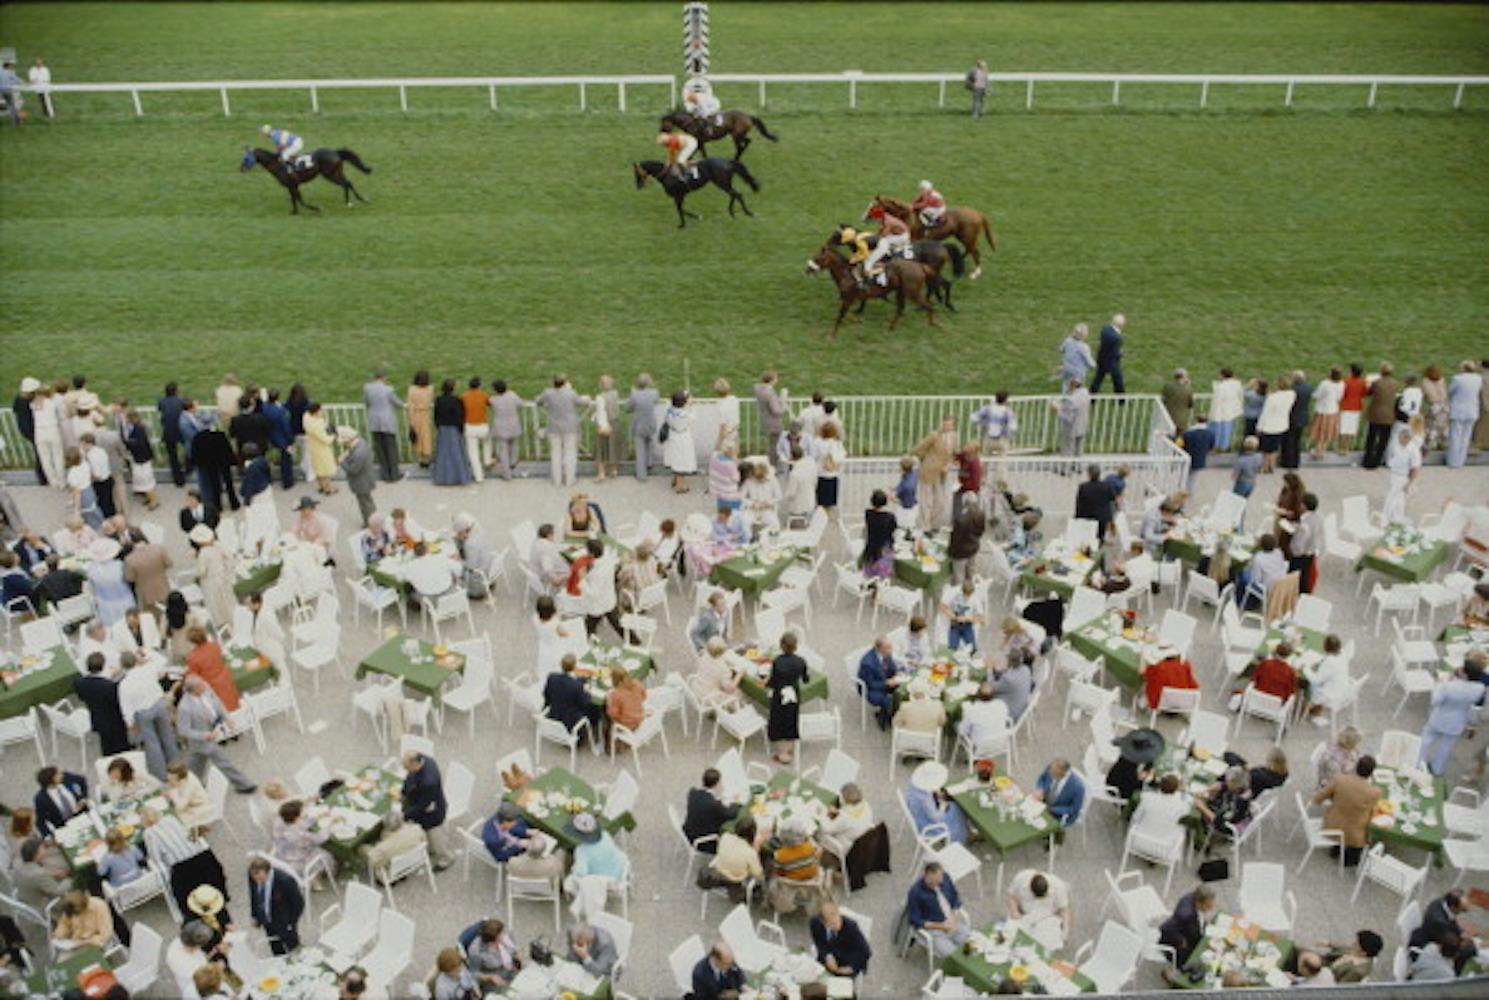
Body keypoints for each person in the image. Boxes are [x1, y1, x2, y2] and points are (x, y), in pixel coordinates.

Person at [1418, 659, 1485, 776]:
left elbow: (1435, 701)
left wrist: (1439, 683)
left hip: (1439, 718)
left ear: (1465, 674)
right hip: (1458, 721)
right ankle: (1437, 769)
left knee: (1425, 741)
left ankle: (1418, 763)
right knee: (1446, 747)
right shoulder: (1479, 688)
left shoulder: (1448, 686)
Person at [1312, 755, 1379, 866]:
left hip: (1331, 825)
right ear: (1371, 773)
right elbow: (1372, 813)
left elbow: (1317, 798)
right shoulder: (1374, 792)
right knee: (1362, 836)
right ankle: (1349, 859)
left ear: (1356, 767)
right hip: (1353, 834)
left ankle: (1336, 849)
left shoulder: (1340, 779)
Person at [402, 751, 454, 869]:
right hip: (425, 805)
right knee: (430, 836)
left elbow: (422, 805)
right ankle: (430, 848)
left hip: (433, 814)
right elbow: (409, 777)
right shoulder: (425, 760)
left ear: (414, 763)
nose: (405, 769)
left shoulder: (428, 781)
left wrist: (405, 815)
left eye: (406, 767)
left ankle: (446, 858)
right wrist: (404, 791)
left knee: (437, 838)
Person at [908, 862, 972, 958]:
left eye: (940, 879)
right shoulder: (916, 892)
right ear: (926, 876)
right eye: (934, 881)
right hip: (934, 930)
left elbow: (955, 898)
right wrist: (941, 926)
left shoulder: (945, 878)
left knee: (972, 943)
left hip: (951, 921)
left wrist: (954, 917)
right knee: (952, 956)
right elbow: (915, 919)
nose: (940, 882)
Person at [536, 374, 587, 488]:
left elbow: (537, 400)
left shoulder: (548, 393)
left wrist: (545, 404)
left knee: (555, 454)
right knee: (570, 453)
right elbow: (581, 402)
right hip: (570, 428)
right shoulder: (571, 393)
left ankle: (557, 480)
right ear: (564, 383)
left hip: (554, 427)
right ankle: (570, 480)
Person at [247, 855, 304, 955]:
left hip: (284, 923)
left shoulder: (285, 881)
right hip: (267, 920)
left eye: (259, 876)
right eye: (254, 877)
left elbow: (298, 903)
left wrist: (291, 922)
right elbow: (254, 895)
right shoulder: (253, 876)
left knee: (294, 949)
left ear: (267, 872)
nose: (256, 880)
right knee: (275, 947)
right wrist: (255, 915)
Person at [74, 653, 130, 756]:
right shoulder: (110, 686)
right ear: (103, 667)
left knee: (105, 744)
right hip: (114, 720)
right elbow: (118, 702)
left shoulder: (79, 683)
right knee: (122, 745)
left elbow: (81, 697)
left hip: (97, 718)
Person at [910, 416, 957, 530]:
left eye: (950, 425)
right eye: (945, 424)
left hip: (942, 473)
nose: (947, 427)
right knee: (926, 500)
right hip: (928, 471)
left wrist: (948, 465)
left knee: (940, 502)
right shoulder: (934, 436)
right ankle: (925, 525)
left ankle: (933, 523)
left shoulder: (954, 436)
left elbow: (951, 453)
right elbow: (917, 449)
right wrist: (925, 460)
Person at [1005, 869, 1072, 950]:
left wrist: (1065, 930)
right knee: (1013, 941)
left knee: (1044, 947)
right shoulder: (1021, 878)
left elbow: (1064, 910)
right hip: (1023, 915)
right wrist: (1015, 913)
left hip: (1047, 919)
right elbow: (1011, 897)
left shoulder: (1058, 886)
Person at [905, 761, 970, 843]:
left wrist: (936, 792)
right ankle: (962, 835)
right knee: (956, 809)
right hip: (929, 825)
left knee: (952, 805)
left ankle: (966, 830)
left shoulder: (914, 785)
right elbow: (937, 818)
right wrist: (943, 804)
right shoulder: (925, 800)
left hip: (919, 815)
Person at [768, 632, 807, 765]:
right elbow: (806, 679)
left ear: (782, 646)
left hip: (780, 693)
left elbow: (773, 680)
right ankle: (789, 748)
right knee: (791, 717)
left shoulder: (778, 661)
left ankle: (781, 751)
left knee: (778, 718)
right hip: (793, 693)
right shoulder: (800, 661)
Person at [810, 900, 872, 977]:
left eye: (837, 920)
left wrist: (850, 968)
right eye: (832, 924)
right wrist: (828, 956)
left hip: (846, 965)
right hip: (826, 962)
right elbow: (819, 942)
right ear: (823, 922)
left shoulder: (851, 927)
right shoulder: (815, 923)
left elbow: (866, 952)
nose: (837, 925)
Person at [1158, 885, 1216, 966]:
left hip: (1191, 932)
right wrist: (1181, 941)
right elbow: (1166, 928)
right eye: (1208, 906)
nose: (1211, 908)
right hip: (1179, 946)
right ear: (1198, 903)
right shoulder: (1186, 915)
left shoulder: (1194, 898)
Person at [683, 768, 740, 851]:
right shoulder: (714, 805)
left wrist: (717, 798)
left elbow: (706, 800)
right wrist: (735, 802)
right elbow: (730, 814)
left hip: (688, 831)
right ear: (716, 784)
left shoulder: (693, 792)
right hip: (703, 841)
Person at [460, 917, 522, 992]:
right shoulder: (476, 951)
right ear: (493, 941)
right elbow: (473, 973)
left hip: (511, 970)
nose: (504, 935)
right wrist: (489, 977)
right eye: (500, 935)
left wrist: (517, 953)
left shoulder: (505, 936)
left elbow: (514, 947)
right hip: (493, 980)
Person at [1303, 634, 1353, 723]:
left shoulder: (1330, 662)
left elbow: (1316, 681)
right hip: (1343, 687)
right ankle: (1317, 707)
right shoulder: (1342, 653)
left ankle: (1316, 706)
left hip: (1331, 694)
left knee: (1308, 683)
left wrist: (1305, 669)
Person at [432, 379, 473, 486]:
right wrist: (461, 428)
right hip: (454, 429)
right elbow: (460, 416)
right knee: (456, 453)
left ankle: (442, 478)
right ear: (453, 388)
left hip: (443, 428)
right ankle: (460, 477)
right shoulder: (457, 400)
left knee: (443, 454)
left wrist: (438, 426)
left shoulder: (439, 400)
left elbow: (436, 415)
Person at [1445, 360, 1484, 467]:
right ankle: (1461, 461)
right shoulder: (1478, 378)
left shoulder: (1457, 379)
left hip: (1458, 409)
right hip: (1472, 409)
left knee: (1456, 436)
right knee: (1466, 436)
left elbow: (1450, 391)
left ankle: (1453, 461)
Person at [1362, 362, 1399, 468]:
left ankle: (1368, 459)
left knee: (1372, 437)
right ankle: (1377, 459)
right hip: (1389, 414)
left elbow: (1368, 393)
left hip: (1376, 414)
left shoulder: (1377, 382)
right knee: (1384, 439)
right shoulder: (1395, 383)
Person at [1382, 425, 1422, 524]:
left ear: (1407, 439)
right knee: (1399, 499)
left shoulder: (1413, 450)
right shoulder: (1397, 445)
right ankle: (1397, 517)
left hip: (1403, 477)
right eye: (1399, 437)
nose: (1399, 439)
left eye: (1401, 438)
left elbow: (1415, 468)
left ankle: (1384, 520)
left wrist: (1409, 483)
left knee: (1391, 497)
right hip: (1394, 474)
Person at [33, 766, 89, 836]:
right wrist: (49, 837)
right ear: (51, 781)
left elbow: (82, 780)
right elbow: (40, 822)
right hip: (65, 827)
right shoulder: (40, 799)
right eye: (57, 775)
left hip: (84, 815)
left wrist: (83, 798)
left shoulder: (66, 777)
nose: (62, 775)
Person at [625, 372, 661, 481]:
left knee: (640, 450)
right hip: (650, 424)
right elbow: (655, 400)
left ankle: (641, 475)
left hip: (639, 426)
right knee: (649, 444)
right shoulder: (654, 393)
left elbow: (628, 408)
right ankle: (649, 463)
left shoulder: (634, 394)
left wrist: (633, 393)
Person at [1256, 373, 1294, 473]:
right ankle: (1271, 465)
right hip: (1281, 424)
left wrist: (1259, 427)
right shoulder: (1291, 394)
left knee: (1265, 449)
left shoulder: (1272, 397)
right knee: (1275, 447)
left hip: (1269, 426)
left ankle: (1265, 466)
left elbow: (1265, 413)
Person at [1031, 758, 1085, 827]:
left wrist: (1052, 809)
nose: (1050, 774)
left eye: (1053, 774)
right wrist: (1040, 789)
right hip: (1043, 801)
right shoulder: (1051, 768)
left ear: (1063, 774)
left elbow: (1074, 809)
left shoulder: (1078, 787)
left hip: (1058, 814)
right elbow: (1042, 778)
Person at [1318, 929, 1383, 983]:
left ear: (1363, 953)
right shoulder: (1356, 952)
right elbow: (1345, 947)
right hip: (1325, 964)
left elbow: (1341, 986)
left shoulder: (1357, 971)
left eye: (1356, 944)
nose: (1353, 943)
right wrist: (1329, 944)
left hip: (1327, 978)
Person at [663, 390, 697, 493]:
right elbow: (693, 418)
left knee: (675, 458)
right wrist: (691, 406)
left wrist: (684, 398)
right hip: (683, 438)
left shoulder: (669, 411)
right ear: (684, 402)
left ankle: (675, 479)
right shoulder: (685, 414)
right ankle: (680, 486)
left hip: (673, 436)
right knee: (681, 461)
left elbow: (673, 404)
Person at [1315, 726, 1363, 791]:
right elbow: (1337, 780)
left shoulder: (1351, 750)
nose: (1356, 746)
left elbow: (1358, 758)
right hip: (1331, 788)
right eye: (1355, 744)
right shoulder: (1332, 758)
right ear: (1347, 743)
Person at [941, 580, 983, 653]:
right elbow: (943, 607)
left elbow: (981, 618)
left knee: (972, 649)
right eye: (966, 594)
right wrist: (953, 616)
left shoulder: (975, 600)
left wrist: (967, 619)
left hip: (967, 625)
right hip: (955, 624)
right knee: (952, 649)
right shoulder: (955, 596)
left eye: (969, 594)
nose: (967, 596)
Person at [860, 489, 897, 570]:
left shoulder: (868, 514)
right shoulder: (890, 517)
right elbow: (893, 529)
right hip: (885, 551)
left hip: (870, 549)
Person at [1054, 377, 1091, 456]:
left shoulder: (1072, 400)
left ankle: (1065, 467)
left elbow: (1068, 418)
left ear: (1072, 385)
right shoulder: (1085, 392)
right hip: (1083, 425)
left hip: (1072, 428)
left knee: (1068, 450)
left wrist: (1057, 410)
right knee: (1079, 450)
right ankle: (1078, 467)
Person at [1091, 314, 1126, 393]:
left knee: (1098, 379)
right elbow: (1116, 353)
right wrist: (1121, 354)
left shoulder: (1105, 329)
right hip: (1112, 363)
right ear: (1121, 325)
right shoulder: (1117, 338)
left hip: (1102, 359)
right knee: (1118, 380)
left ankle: (1092, 396)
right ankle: (1121, 399)